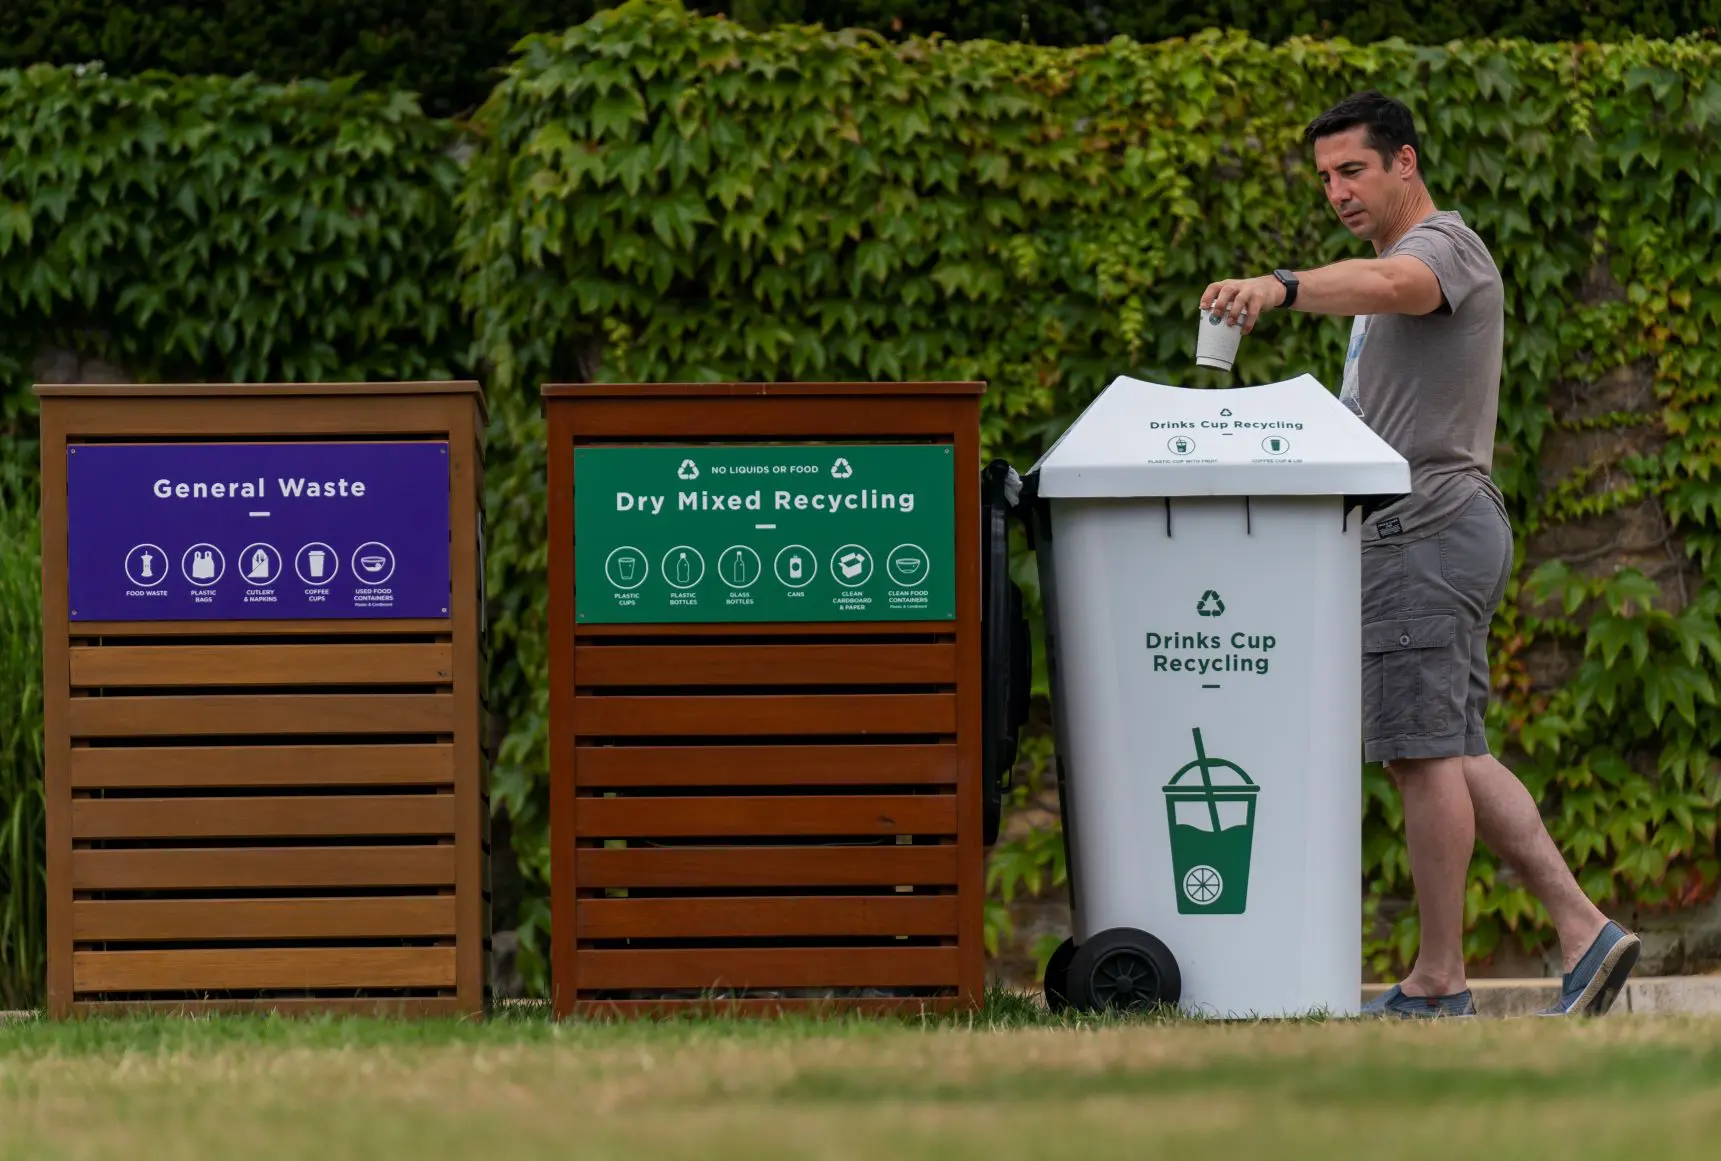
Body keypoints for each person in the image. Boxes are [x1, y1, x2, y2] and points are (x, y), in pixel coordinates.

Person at [1200, 90, 1639, 1018]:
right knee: (1450, 748)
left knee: (1423, 752)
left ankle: (1439, 979)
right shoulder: (1383, 265)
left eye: (1352, 170)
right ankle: (1582, 930)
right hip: (1426, 524)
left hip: (1424, 523)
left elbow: (1399, 286)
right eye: (1323, 178)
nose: (1336, 191)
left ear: (1404, 161)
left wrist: (1281, 287)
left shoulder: (1440, 246)